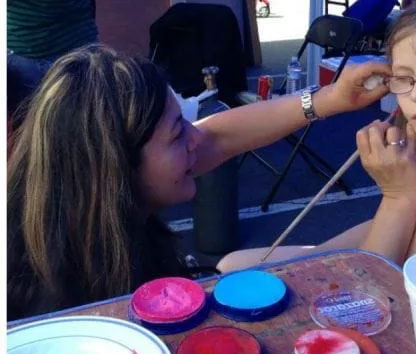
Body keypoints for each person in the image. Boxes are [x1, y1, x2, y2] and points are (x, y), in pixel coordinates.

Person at [7, 45, 391, 320]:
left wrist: (332, 98)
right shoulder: (55, 306)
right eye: (178, 134)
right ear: (114, 169)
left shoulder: (72, 194)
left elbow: (216, 138)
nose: (196, 139)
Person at [218, 0, 416, 271]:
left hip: (415, 314)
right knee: (233, 264)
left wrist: (397, 194)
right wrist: (316, 259)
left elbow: (388, 287)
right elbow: (386, 228)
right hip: (390, 270)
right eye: (403, 78)